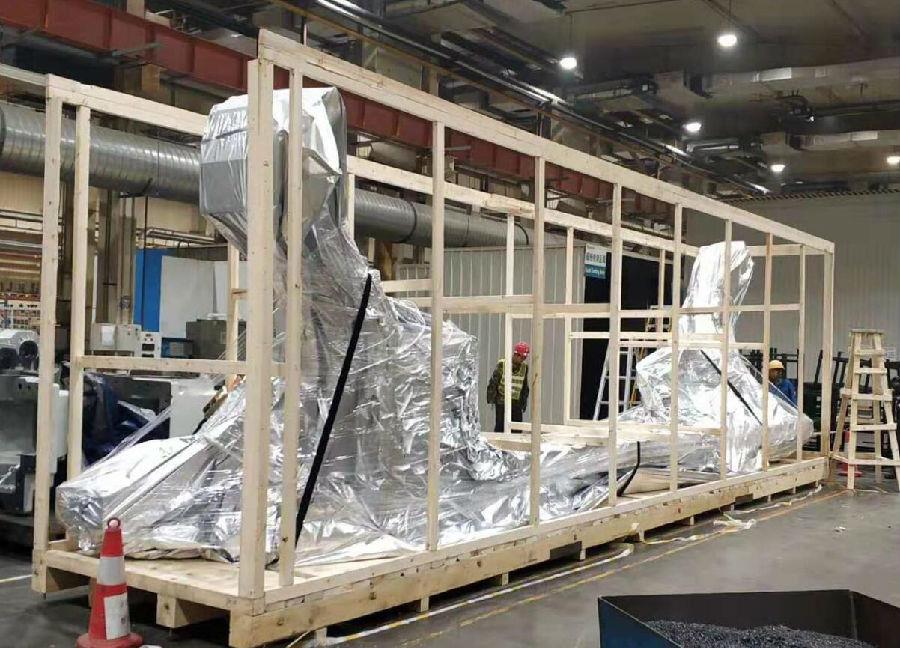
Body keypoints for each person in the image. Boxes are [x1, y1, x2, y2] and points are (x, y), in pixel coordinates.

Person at [487, 342, 530, 432]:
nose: (522, 360)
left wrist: (523, 402)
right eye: (521, 357)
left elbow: (524, 385)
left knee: (517, 428)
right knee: (501, 426)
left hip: (516, 401)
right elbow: (494, 382)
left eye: (524, 358)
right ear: (516, 354)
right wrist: (492, 398)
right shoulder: (502, 364)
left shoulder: (524, 367)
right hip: (502, 400)